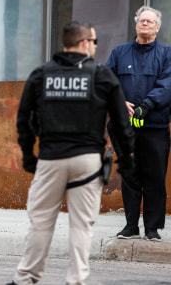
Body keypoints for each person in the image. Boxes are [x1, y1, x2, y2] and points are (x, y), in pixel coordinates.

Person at [8, 21, 134, 285]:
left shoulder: (42, 74)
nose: (95, 47)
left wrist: (30, 156)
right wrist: (127, 158)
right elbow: (121, 122)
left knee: (41, 222)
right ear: (85, 43)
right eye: (95, 42)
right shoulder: (102, 75)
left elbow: (23, 118)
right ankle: (76, 280)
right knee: (82, 224)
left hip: (51, 157)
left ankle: (26, 278)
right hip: (87, 161)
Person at [106, 5, 171, 242]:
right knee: (130, 176)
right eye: (141, 20)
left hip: (154, 126)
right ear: (136, 25)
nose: (145, 24)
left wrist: (146, 105)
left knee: (154, 177)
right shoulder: (119, 52)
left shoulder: (167, 54)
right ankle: (131, 226)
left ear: (157, 27)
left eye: (149, 21)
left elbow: (168, 85)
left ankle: (152, 229)